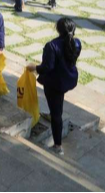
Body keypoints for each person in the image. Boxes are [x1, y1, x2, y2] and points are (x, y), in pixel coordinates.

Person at [28, 18, 82, 156]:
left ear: (58, 29)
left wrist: (35, 68)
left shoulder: (52, 46)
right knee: (57, 103)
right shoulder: (76, 43)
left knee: (57, 112)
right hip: (67, 79)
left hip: (54, 82)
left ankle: (58, 146)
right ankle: (53, 113)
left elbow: (47, 67)